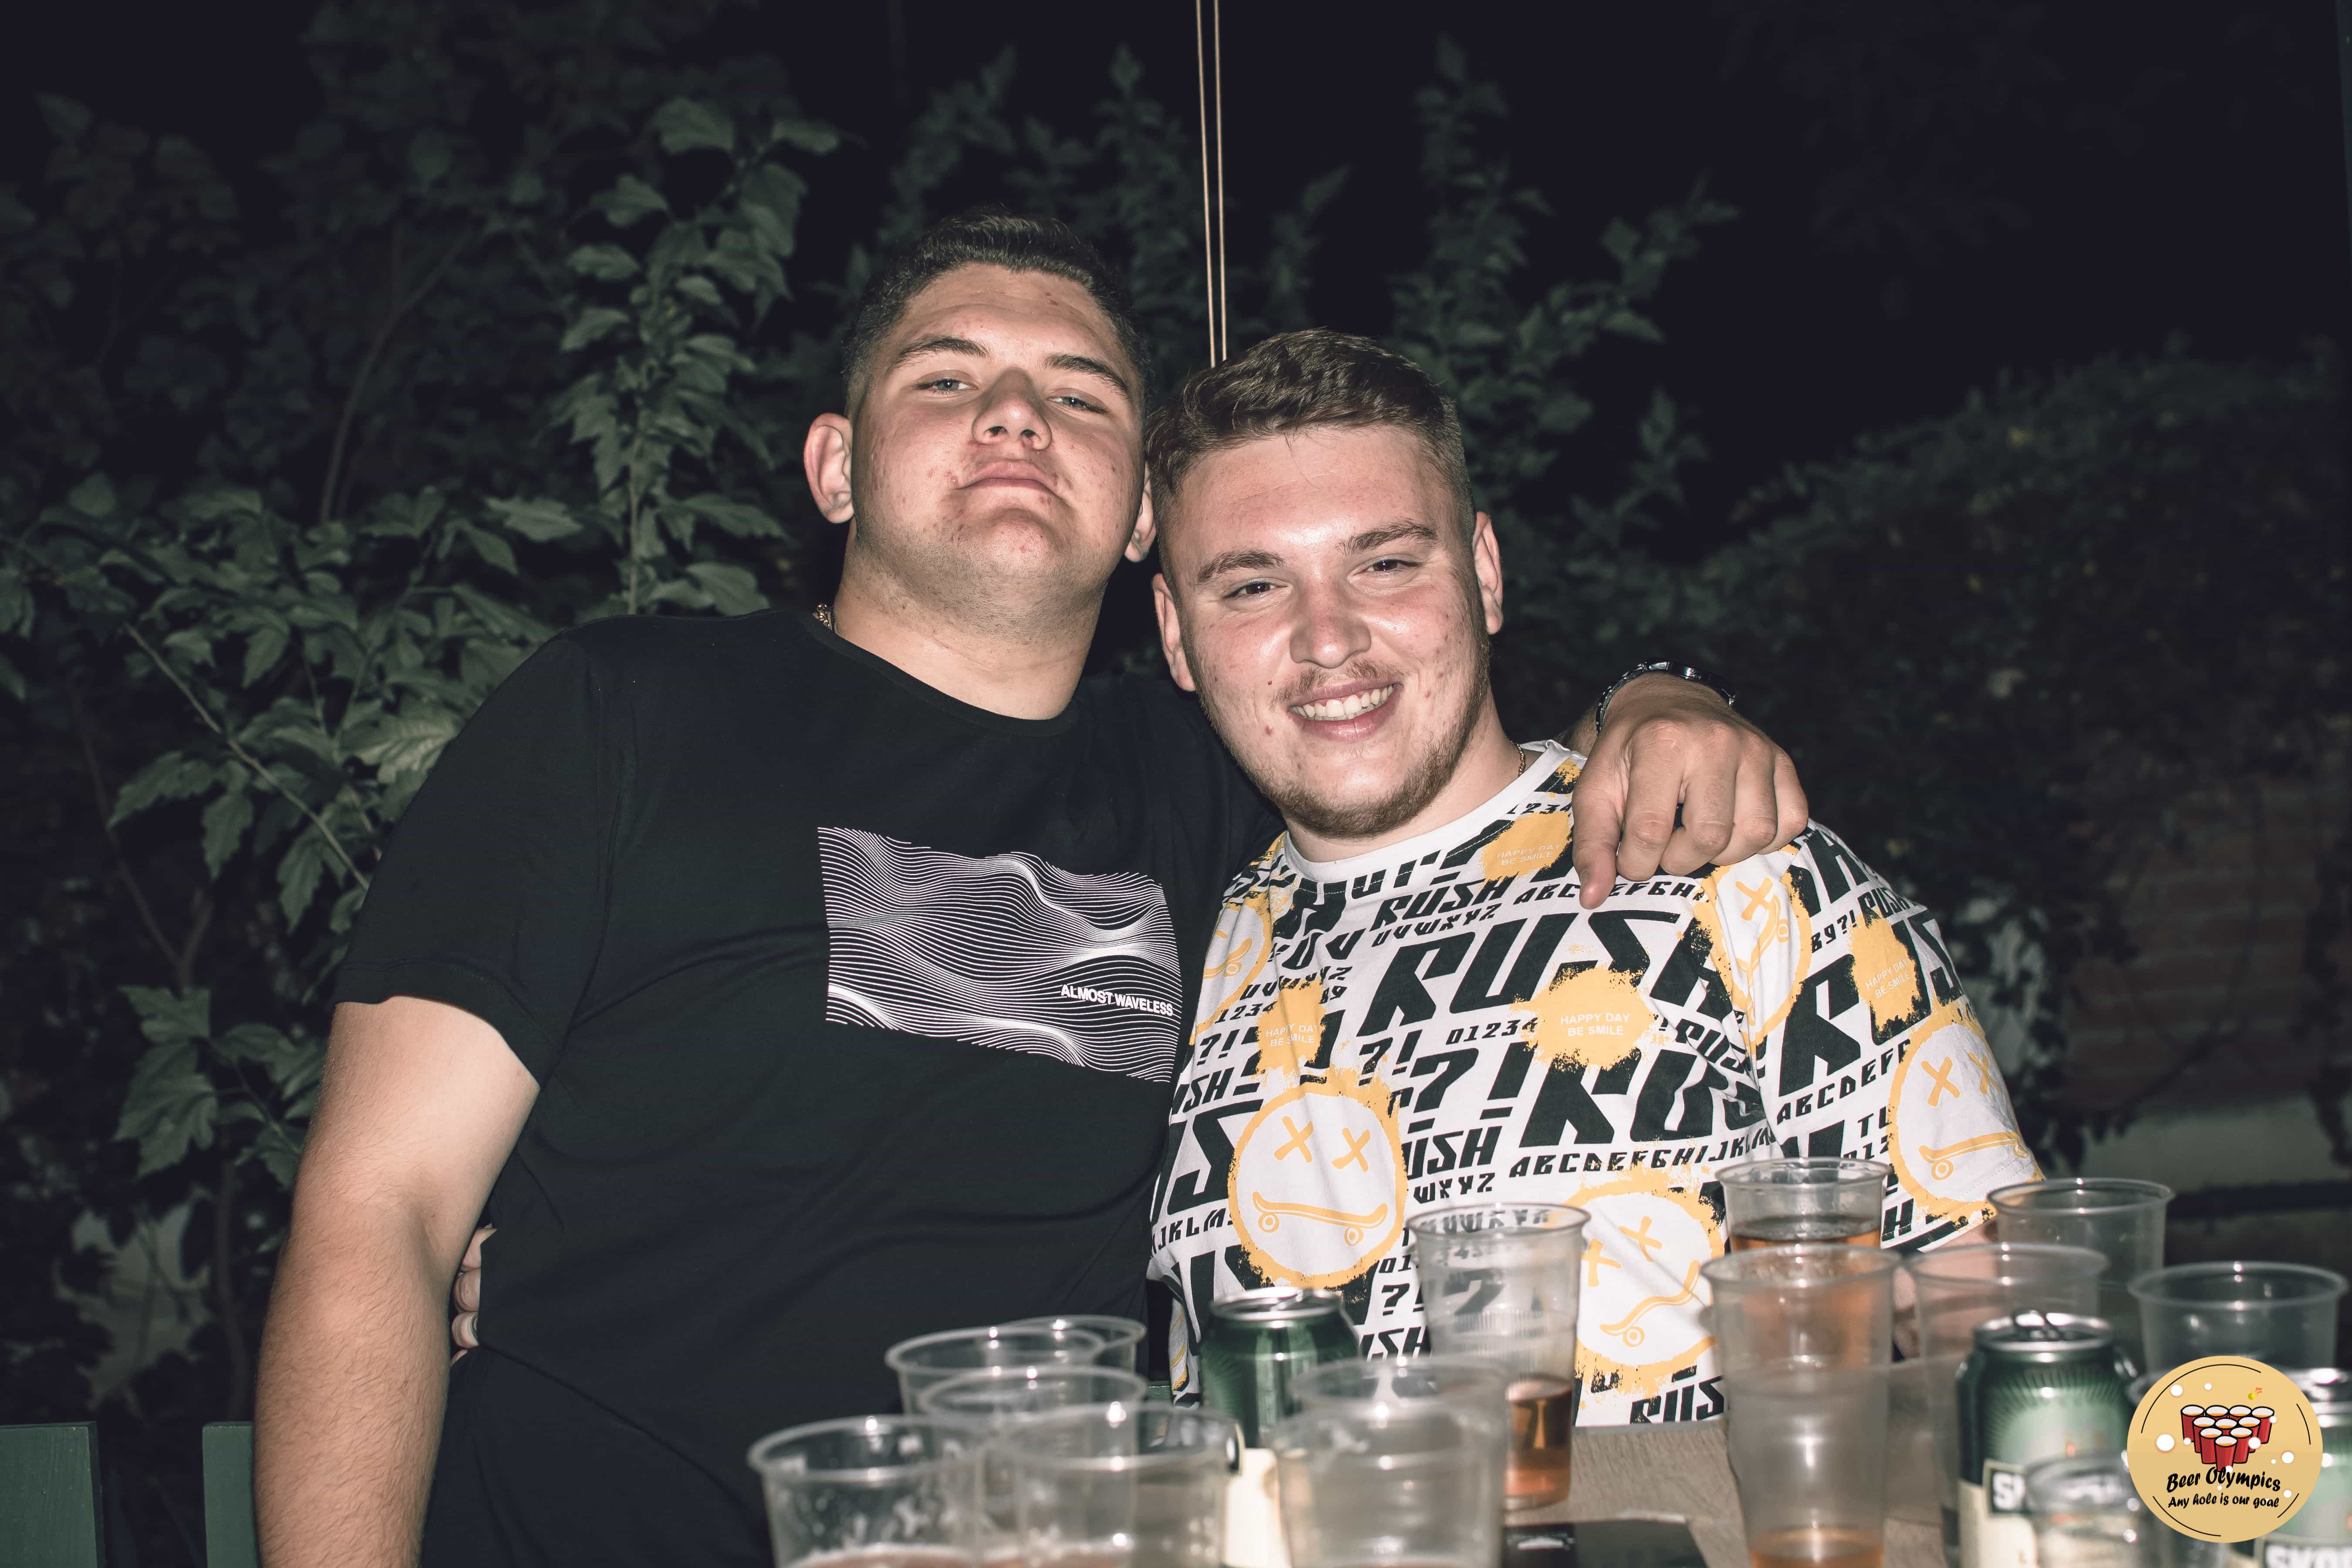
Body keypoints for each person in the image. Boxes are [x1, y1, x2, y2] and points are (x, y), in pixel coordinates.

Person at [252, 214, 1809, 1568]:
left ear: (1138, 521)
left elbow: (1416, 739)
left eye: (1078, 393)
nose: (1013, 413)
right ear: (834, 467)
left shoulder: (1199, 784)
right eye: (946, 380)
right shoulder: (621, 713)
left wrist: (1658, 701)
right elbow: (381, 1210)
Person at [1142, 329, 2037, 1426]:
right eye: (1251, 585)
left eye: (1385, 564)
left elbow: (2008, 1333)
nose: (1326, 639)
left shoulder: (1733, 867)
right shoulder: (1165, 958)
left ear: (1482, 573)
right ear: (1175, 637)